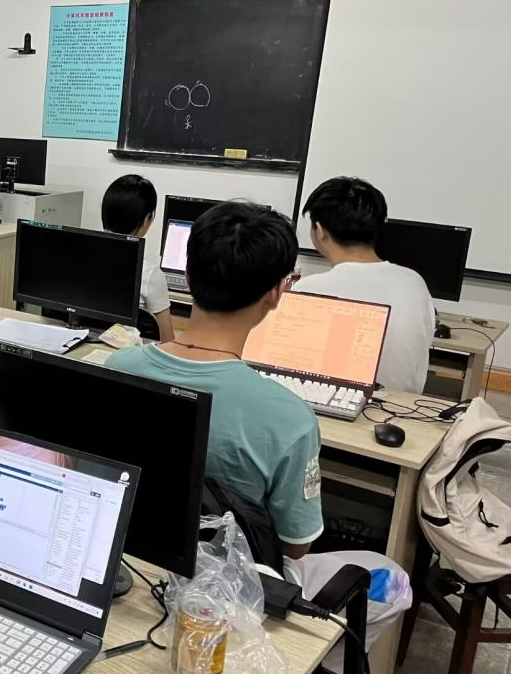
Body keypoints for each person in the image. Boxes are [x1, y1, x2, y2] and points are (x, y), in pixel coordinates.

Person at [106, 201, 409, 666]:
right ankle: (310, 660)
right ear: (277, 293)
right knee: (392, 577)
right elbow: (296, 543)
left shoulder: (119, 366)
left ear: (187, 275)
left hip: (130, 560)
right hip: (235, 592)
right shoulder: (289, 417)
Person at [296, 177, 435, 393]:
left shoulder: (308, 289)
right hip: (405, 406)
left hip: (335, 405)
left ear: (319, 231)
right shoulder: (414, 281)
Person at [101, 175, 175, 342]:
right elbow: (167, 341)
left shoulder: (78, 259)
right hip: (129, 355)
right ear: (146, 220)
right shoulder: (149, 274)